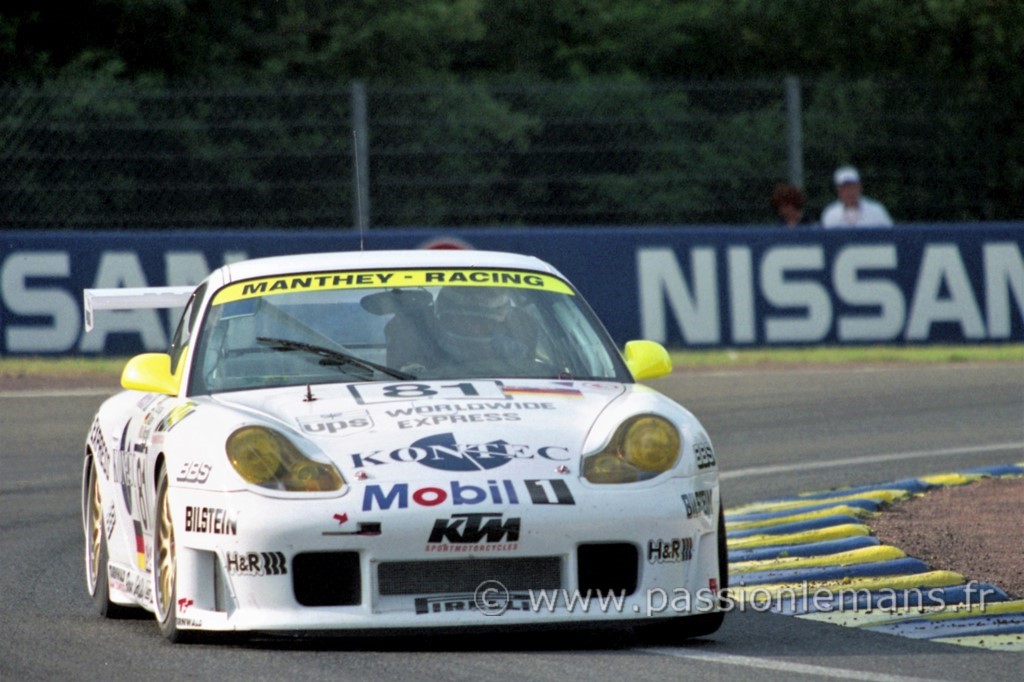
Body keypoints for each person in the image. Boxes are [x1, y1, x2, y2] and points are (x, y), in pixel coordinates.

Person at [385, 286, 538, 374]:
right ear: (446, 319)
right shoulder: (419, 350)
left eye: (486, 320)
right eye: (466, 318)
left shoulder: (515, 351)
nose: (476, 327)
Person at [820, 165, 894, 228]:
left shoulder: (876, 211)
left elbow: (891, 237)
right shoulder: (830, 214)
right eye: (844, 188)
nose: (849, 192)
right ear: (839, 191)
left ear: (859, 187)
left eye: (852, 187)